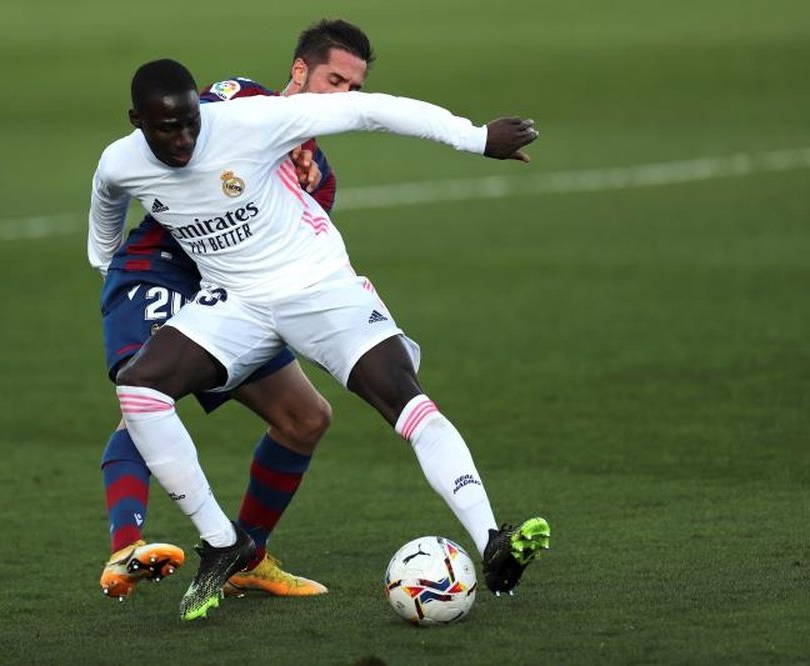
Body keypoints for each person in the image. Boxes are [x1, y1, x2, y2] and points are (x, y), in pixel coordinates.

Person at [88, 58, 551, 621]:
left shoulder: (248, 121)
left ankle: (492, 540)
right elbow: (106, 225)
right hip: (235, 302)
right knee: (140, 390)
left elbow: (367, 110)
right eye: (168, 129)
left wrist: (476, 138)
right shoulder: (119, 163)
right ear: (137, 121)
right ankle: (222, 542)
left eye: (192, 123)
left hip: (318, 287)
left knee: (404, 397)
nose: (185, 139)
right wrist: (107, 259)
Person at [94, 20, 374, 601]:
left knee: (306, 418)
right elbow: (186, 142)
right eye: (334, 81)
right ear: (299, 72)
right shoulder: (239, 100)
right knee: (146, 398)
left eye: (354, 89)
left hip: (235, 300)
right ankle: (125, 546)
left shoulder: (320, 182)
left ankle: (247, 555)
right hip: (163, 268)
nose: (342, 99)